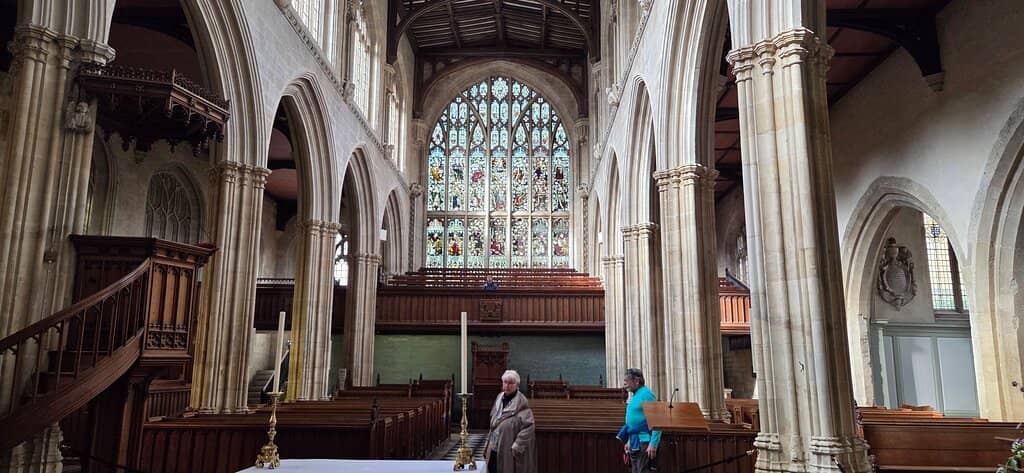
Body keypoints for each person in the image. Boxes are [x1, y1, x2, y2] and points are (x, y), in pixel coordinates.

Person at [484, 370, 536, 473]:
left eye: (511, 383)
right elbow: (495, 419)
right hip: (494, 443)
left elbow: (529, 426)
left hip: (508, 445)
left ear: (517, 385)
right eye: (505, 382)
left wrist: (517, 446)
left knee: (505, 468)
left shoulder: (521, 402)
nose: (507, 386)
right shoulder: (499, 397)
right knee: (492, 467)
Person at [616, 368, 661, 473]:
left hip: (645, 442)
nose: (624, 384)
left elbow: (657, 419)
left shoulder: (646, 394)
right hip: (635, 441)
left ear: (636, 381)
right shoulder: (636, 395)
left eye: (627, 381)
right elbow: (633, 422)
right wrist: (629, 441)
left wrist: (653, 444)